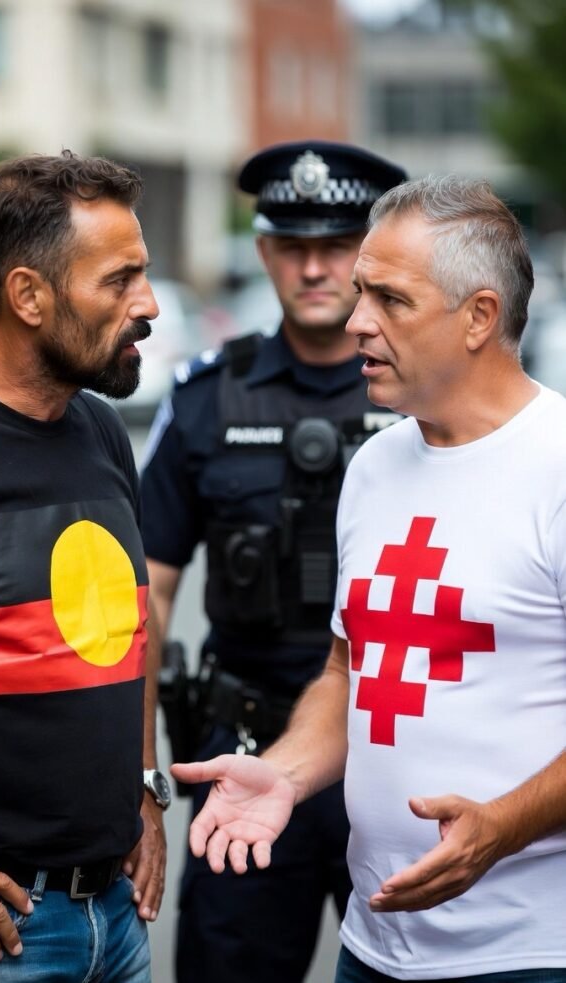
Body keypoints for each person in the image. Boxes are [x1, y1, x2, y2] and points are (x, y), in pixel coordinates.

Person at [172, 175, 566, 983]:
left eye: (389, 298)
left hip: (528, 952)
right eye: (359, 294)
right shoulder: (375, 465)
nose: (356, 322)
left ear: (480, 317)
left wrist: (503, 825)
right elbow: (352, 671)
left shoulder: (556, 467)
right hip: (372, 947)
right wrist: (281, 773)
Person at [139, 140, 406, 983]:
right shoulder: (206, 395)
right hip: (245, 746)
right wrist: (137, 774)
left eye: (337, 246)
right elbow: (144, 597)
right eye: (293, 246)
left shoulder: (421, 392)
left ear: (367, 253)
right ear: (263, 252)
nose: (316, 267)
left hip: (396, 750)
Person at [0, 150, 170, 982]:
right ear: (27, 295)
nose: (149, 305)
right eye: (118, 281)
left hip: (116, 923)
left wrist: (143, 788)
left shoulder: (97, 430)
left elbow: (129, 626)